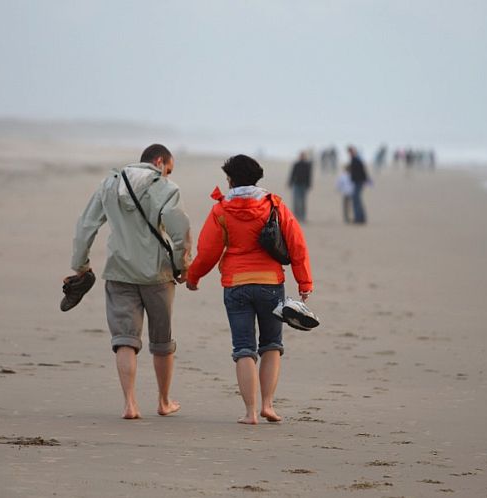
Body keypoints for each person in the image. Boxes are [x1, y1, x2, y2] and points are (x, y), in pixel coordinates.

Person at [185, 155, 313, 425]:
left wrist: (193, 277)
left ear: (230, 180)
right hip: (270, 283)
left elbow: (208, 252)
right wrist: (304, 282)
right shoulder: (274, 205)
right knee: (272, 346)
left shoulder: (221, 210)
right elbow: (297, 243)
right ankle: (268, 405)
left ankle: (250, 412)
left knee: (244, 349)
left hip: (236, 285)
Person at [67, 144, 192, 420]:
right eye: (168, 169)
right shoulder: (166, 189)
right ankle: (164, 400)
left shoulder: (110, 184)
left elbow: (86, 225)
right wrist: (184, 266)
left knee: (125, 339)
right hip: (158, 275)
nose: (168, 174)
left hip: (119, 272)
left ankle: (130, 404)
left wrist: (80, 265)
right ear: (160, 162)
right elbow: (179, 229)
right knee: (162, 340)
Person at [288, 151, 312, 222]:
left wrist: (309, 184)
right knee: (296, 201)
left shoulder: (307, 165)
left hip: (304, 185)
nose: (302, 157)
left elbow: (309, 176)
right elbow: (293, 173)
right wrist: (290, 182)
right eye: (301, 156)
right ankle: (296, 216)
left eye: (303, 156)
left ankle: (303, 217)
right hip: (296, 184)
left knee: (303, 201)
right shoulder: (296, 164)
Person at [347, 145, 369, 224]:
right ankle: (360, 217)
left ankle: (359, 218)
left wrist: (364, 180)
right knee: (357, 200)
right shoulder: (354, 159)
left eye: (351, 151)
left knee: (356, 200)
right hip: (357, 182)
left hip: (358, 182)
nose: (350, 153)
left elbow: (362, 171)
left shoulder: (356, 159)